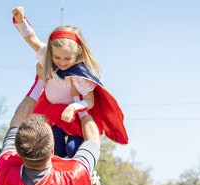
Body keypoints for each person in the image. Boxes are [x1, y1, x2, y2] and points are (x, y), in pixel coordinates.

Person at [12, 6, 128, 158]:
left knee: (73, 149)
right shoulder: (46, 55)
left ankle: (86, 173)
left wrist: (74, 107)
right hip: (52, 112)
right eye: (57, 58)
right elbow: (31, 38)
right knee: (54, 150)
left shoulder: (80, 75)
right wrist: (21, 21)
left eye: (67, 58)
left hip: (74, 116)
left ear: (77, 54)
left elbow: (89, 101)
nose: (61, 62)